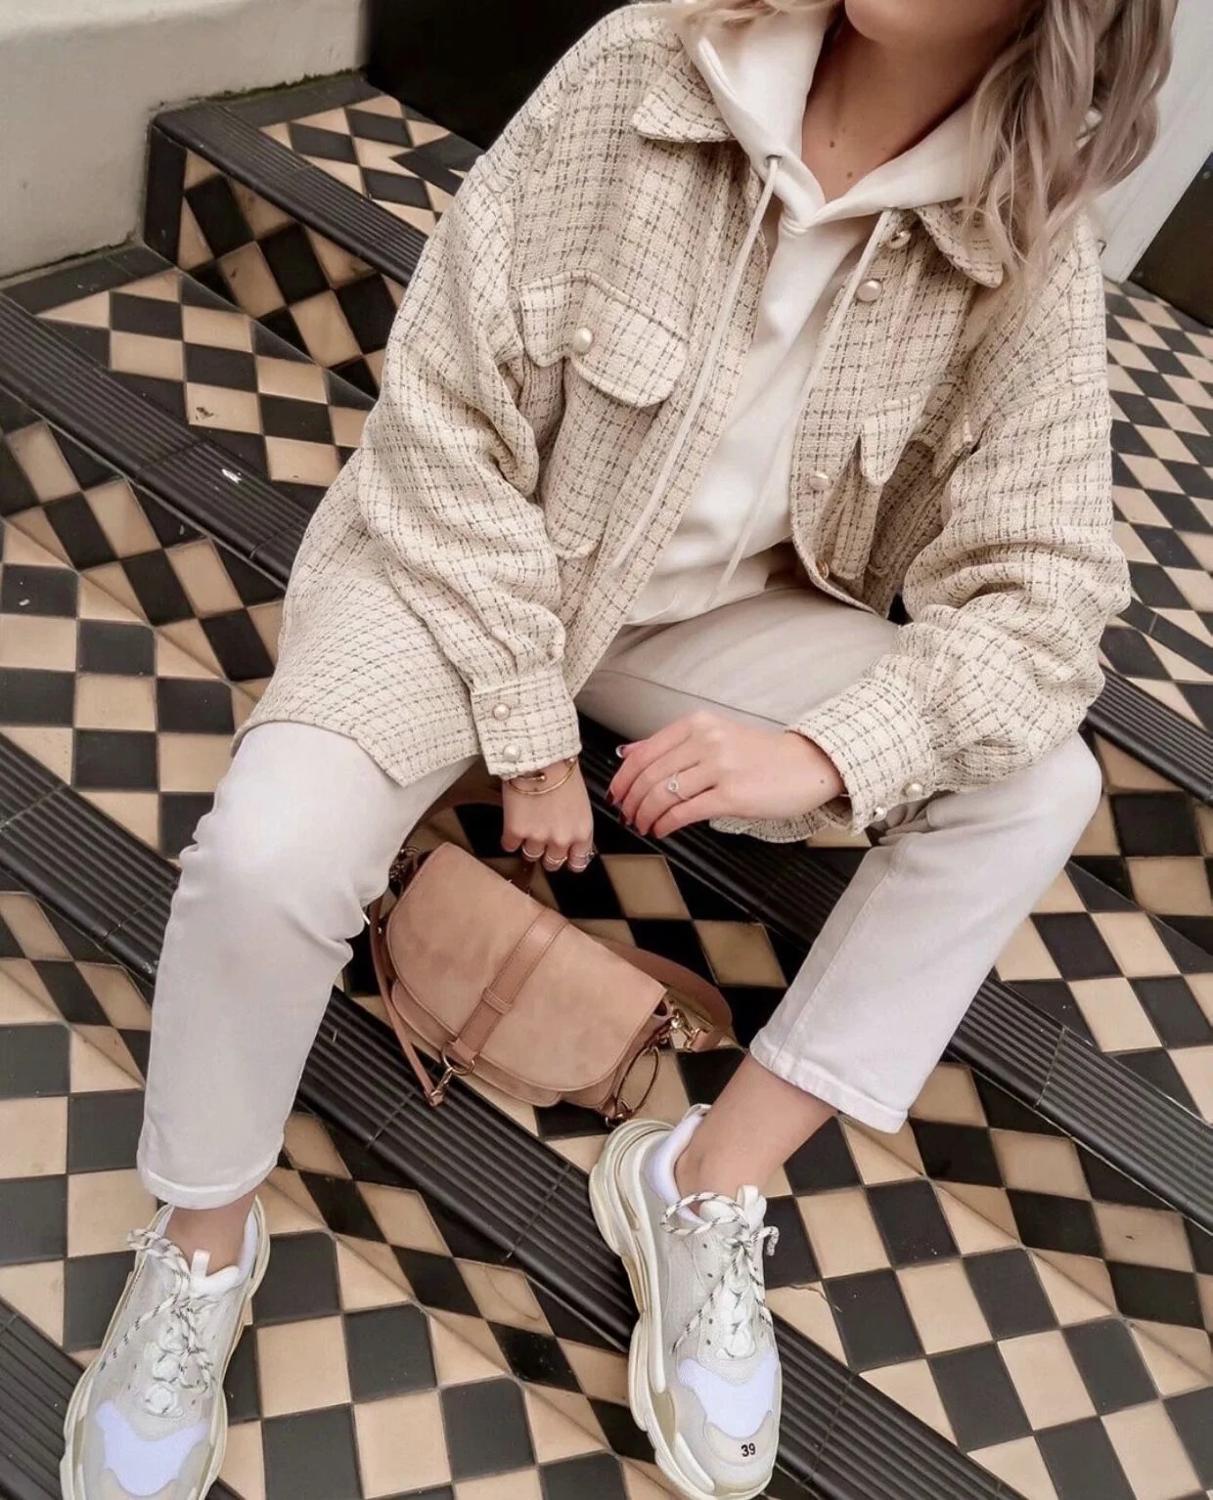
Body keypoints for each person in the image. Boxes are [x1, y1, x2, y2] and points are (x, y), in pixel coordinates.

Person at [62, 0, 1176, 1496]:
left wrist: (834, 750)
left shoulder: (1022, 235)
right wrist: (531, 738)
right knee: (266, 860)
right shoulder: (659, 65)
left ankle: (701, 1176)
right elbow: (441, 410)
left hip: (705, 619)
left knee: (1041, 781)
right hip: (463, 569)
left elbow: (1052, 597)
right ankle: (202, 1238)